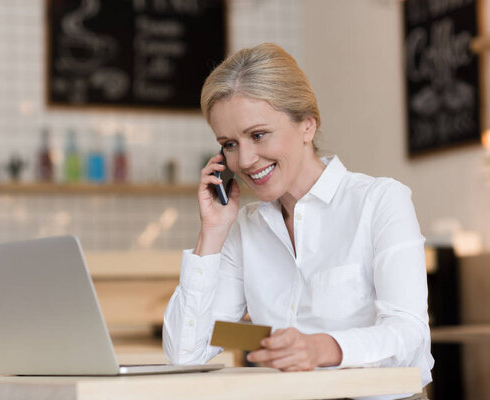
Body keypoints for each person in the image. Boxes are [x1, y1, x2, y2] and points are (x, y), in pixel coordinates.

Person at [162, 43, 433, 400]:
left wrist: (321, 349)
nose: (244, 160)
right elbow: (186, 358)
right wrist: (210, 233)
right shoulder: (244, 228)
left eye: (258, 135)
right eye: (229, 143)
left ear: (307, 125)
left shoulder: (380, 201)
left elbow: (410, 337)